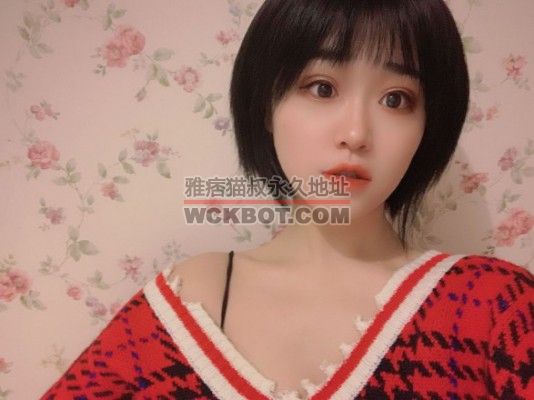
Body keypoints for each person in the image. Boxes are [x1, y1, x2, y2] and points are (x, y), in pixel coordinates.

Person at [41, 0, 533, 399]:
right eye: (322, 88)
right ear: (266, 105)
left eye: (396, 99)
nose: (357, 133)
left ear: (428, 127)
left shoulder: (492, 308)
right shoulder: (180, 306)